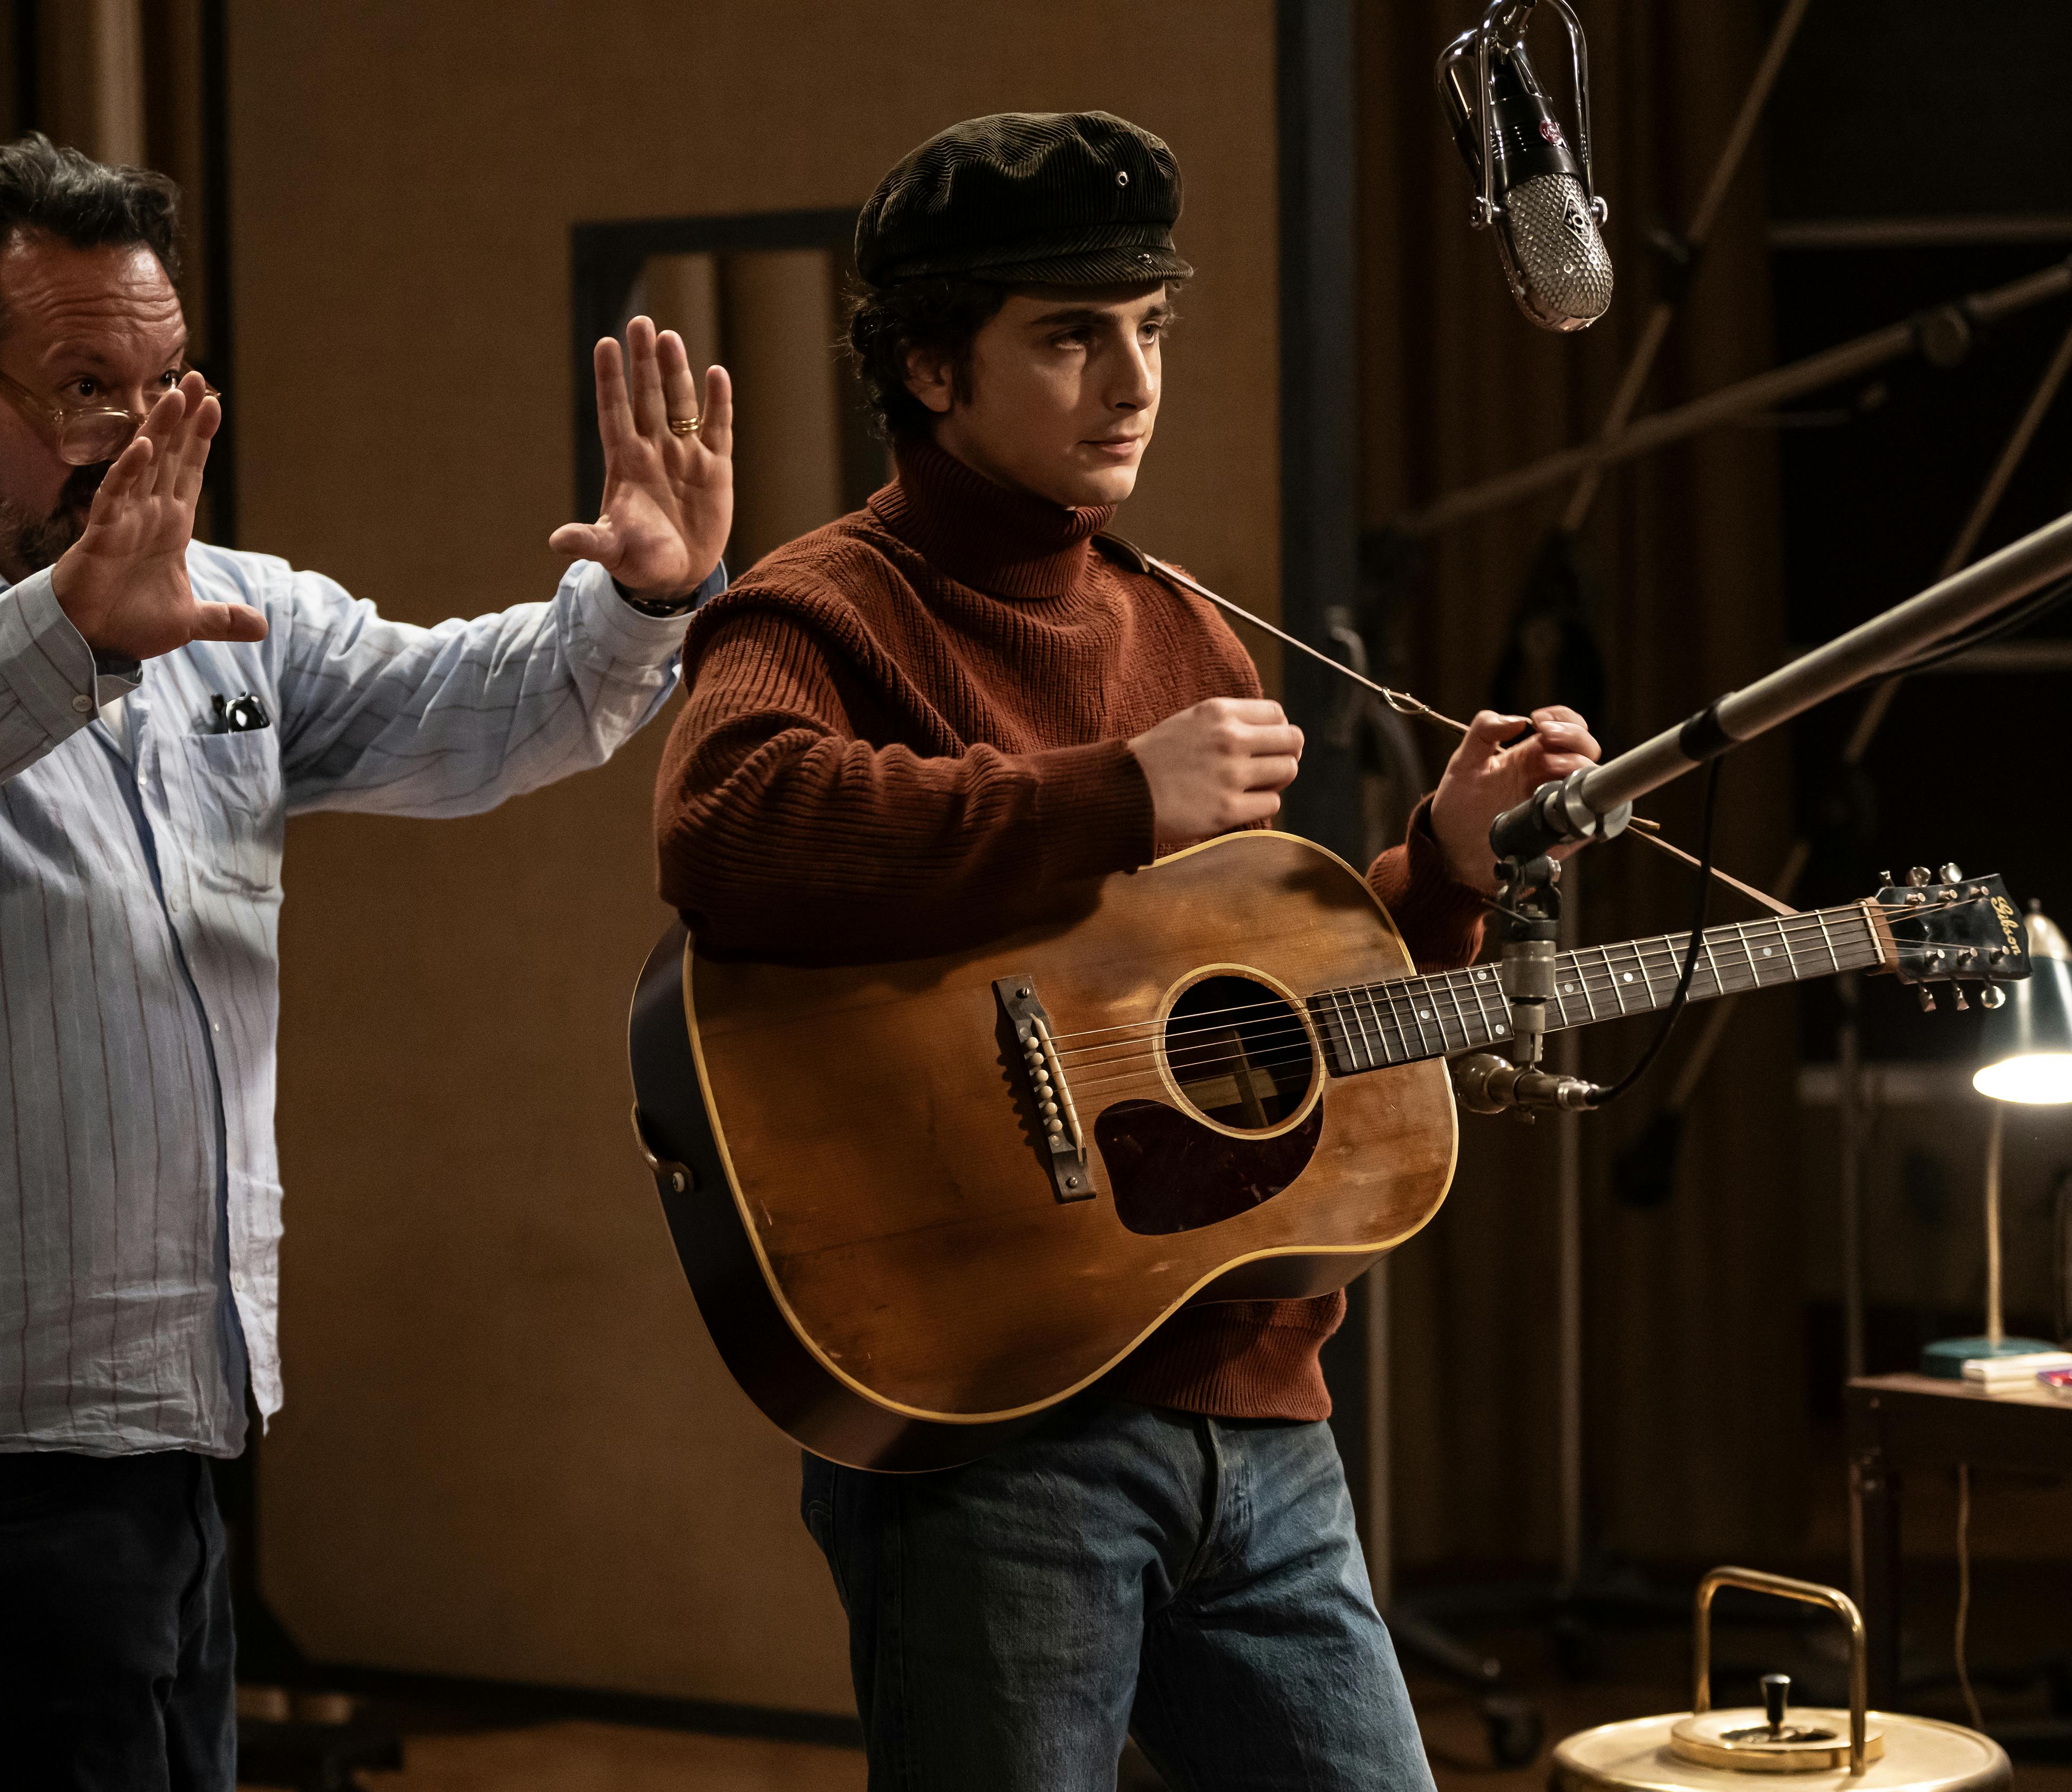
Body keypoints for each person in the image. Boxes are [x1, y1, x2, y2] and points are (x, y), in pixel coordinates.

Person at [0, 135, 733, 1790]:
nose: (136, 437)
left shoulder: (219, 605)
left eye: (165, 385)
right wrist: (64, 637)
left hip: (173, 1398)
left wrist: (642, 604)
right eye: (85, 388)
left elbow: (460, 710)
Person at [651, 112, 1601, 1789]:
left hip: (1261, 1418)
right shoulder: (823, 607)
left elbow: (1249, 989)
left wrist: (1444, 871)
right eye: (1072, 336)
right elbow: (729, 825)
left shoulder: (1185, 627)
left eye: (1149, 329)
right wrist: (1107, 795)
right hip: (995, 1425)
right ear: (933, 370)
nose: (1131, 379)